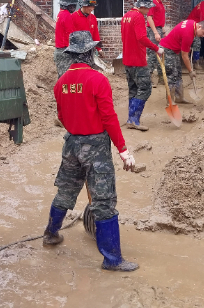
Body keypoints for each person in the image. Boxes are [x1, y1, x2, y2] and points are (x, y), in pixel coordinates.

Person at [43, 30, 139, 272]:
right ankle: (112, 260)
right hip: (96, 147)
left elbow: (61, 117)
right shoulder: (98, 80)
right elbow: (109, 118)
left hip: (71, 144)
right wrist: (123, 149)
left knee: (65, 192)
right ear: (90, 53)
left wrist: (77, 132)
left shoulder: (61, 82)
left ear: (74, 55)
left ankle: (51, 234)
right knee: (104, 201)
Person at [121, 0, 163, 131]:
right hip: (137, 60)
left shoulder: (126, 16)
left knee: (133, 89)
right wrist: (156, 48)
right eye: (148, 8)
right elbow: (141, 37)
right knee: (145, 88)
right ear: (143, 6)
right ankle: (133, 119)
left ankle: (130, 118)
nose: (148, 11)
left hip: (127, 59)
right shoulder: (138, 17)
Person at [159, 19, 204, 103]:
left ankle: (179, 98)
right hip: (167, 48)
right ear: (199, 26)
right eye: (203, 33)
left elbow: (182, 36)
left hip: (174, 49)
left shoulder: (192, 23)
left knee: (178, 73)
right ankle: (170, 100)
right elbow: (184, 56)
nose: (202, 36)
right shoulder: (188, 34)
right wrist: (190, 71)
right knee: (172, 74)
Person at [146, 0, 172, 82]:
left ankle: (162, 76)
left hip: (159, 29)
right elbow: (149, 17)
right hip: (154, 30)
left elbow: (159, 19)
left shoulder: (160, 2)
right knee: (153, 53)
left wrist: (163, 31)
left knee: (161, 52)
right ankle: (149, 77)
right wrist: (156, 32)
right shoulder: (153, 2)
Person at [54, 0, 78, 77]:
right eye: (74, 5)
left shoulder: (60, 13)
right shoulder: (66, 15)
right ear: (69, 5)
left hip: (59, 50)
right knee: (66, 77)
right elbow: (72, 33)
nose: (75, 8)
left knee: (62, 76)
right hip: (64, 50)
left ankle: (60, 90)